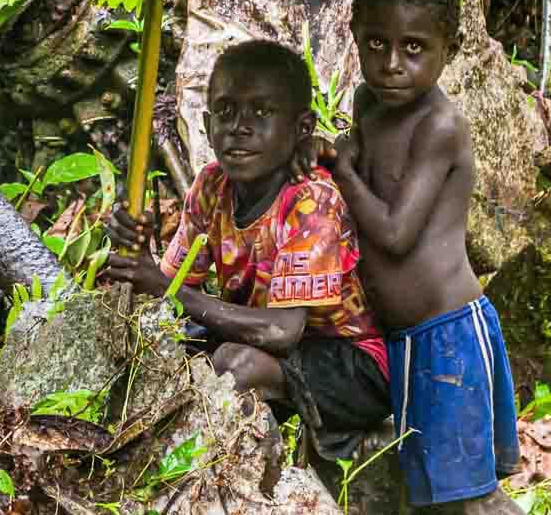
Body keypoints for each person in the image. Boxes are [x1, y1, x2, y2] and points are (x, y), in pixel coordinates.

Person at [320, 0, 551, 515]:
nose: (392, 64)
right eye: (376, 43)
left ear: (452, 47)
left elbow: (394, 231)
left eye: (415, 48)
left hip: (449, 335)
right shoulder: (367, 106)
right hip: (406, 339)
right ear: (354, 33)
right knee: (429, 476)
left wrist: (340, 167)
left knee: (469, 491)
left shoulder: (440, 127)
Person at [105, 40, 392, 470]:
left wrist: (165, 287)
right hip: (276, 341)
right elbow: (169, 294)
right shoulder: (210, 185)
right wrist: (136, 252)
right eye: (225, 111)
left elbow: (282, 331)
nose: (240, 127)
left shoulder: (311, 200)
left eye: (262, 112)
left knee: (232, 365)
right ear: (206, 124)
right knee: (167, 349)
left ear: (302, 128)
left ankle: (199, 476)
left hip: (351, 363)